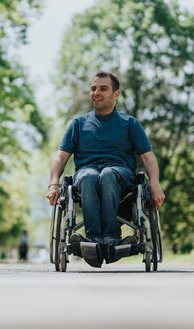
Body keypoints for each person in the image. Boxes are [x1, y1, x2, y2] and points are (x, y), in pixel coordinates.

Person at [46, 71, 165, 267]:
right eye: (93, 89)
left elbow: (148, 157)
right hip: (87, 172)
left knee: (108, 174)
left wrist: (155, 184)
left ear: (116, 94)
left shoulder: (130, 124)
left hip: (120, 174)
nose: (96, 93)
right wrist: (53, 184)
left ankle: (110, 237)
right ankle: (93, 240)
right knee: (90, 176)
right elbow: (60, 157)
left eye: (103, 89)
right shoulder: (78, 124)